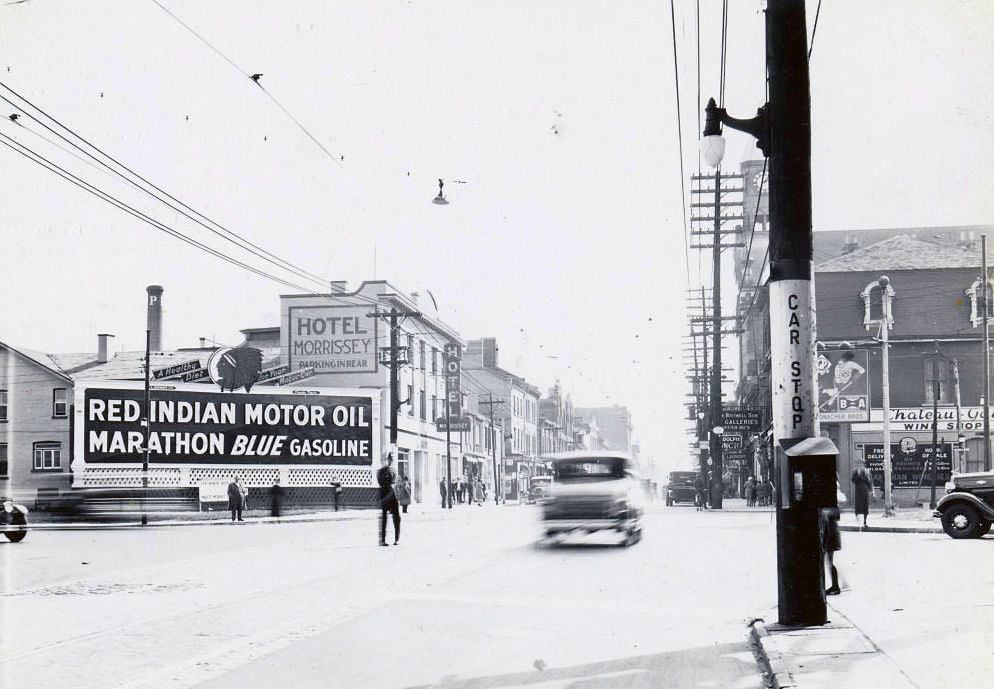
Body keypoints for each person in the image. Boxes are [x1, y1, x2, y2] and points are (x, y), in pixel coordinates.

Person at [821, 482, 843, 595]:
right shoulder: (832, 500)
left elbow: (836, 514)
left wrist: (825, 512)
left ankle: (835, 586)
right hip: (830, 532)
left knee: (829, 561)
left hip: (831, 533)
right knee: (828, 561)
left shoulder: (832, 502)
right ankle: (835, 585)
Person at [377, 453, 401, 545]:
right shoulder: (381, 471)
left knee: (397, 517)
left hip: (393, 496)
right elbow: (381, 482)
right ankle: (382, 540)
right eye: (389, 459)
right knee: (384, 518)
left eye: (391, 460)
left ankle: (397, 538)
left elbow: (395, 482)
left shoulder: (394, 470)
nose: (390, 461)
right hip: (385, 495)